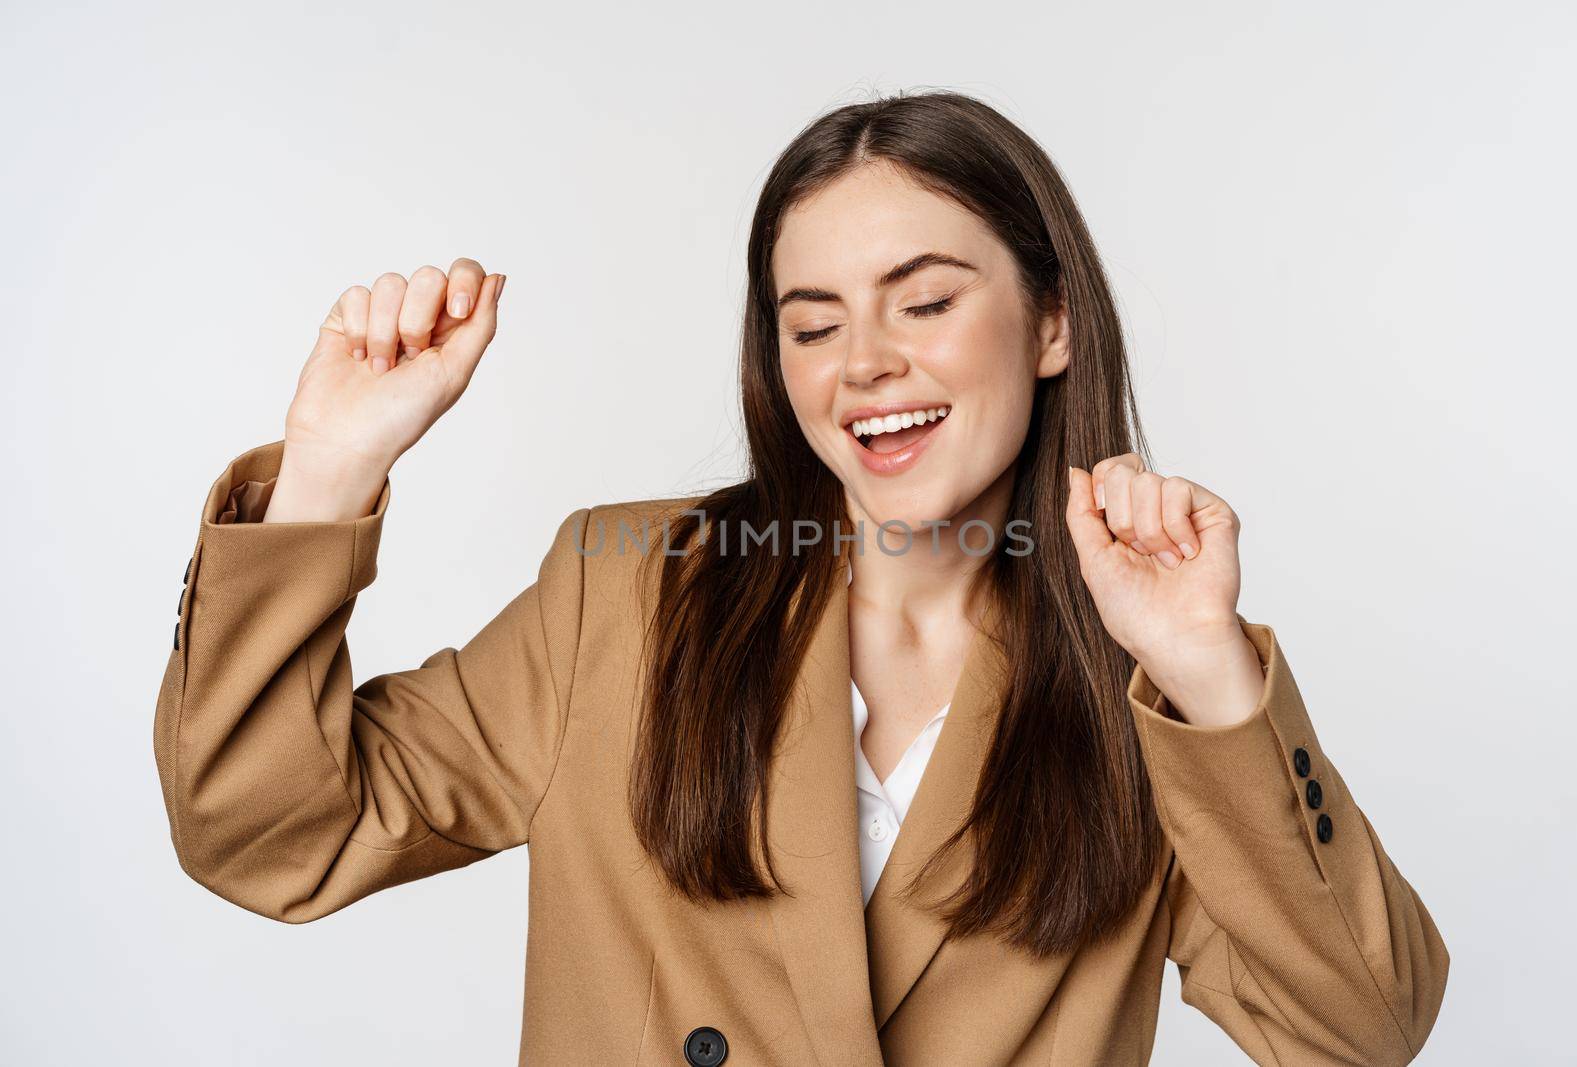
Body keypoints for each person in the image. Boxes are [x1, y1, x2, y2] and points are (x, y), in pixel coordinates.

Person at [154, 90, 1448, 1066]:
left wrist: (1209, 676)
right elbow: (276, 836)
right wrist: (324, 478)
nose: (863, 363)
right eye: (812, 323)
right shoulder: (632, 590)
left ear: (1054, 321)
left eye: (925, 302)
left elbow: (1357, 1028)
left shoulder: (1152, 686)